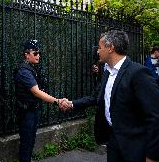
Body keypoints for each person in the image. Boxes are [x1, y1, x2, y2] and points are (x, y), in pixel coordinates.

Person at [63, 30, 159, 162]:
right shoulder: (107, 72)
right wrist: (72, 103)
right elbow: (95, 97)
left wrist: (152, 156)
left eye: (100, 47)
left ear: (111, 48)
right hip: (113, 141)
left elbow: (155, 116)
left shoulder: (138, 73)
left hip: (135, 147)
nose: (97, 51)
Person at [14, 39, 69, 162]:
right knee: (27, 141)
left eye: (39, 53)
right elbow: (36, 91)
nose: (38, 56)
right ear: (26, 54)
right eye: (35, 53)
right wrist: (57, 101)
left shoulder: (33, 69)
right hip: (26, 112)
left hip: (33, 110)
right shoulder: (24, 71)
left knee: (31, 139)